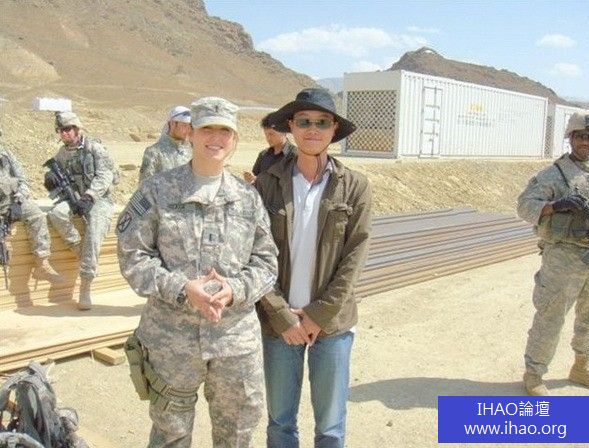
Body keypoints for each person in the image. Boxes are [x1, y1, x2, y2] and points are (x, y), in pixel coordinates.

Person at [116, 97, 278, 448]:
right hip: (171, 340)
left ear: (234, 139)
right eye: (207, 129)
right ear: (190, 133)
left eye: (225, 131)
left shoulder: (248, 198)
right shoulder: (157, 191)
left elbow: (267, 263)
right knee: (170, 436)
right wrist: (181, 288)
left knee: (237, 435)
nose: (215, 138)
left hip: (234, 340)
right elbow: (133, 257)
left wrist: (235, 289)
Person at [254, 88, 373, 448]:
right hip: (280, 325)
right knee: (280, 423)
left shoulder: (354, 186)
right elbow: (252, 256)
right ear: (290, 125)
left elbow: (355, 256)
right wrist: (281, 315)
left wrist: (318, 315)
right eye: (304, 121)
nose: (312, 129)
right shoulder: (266, 185)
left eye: (322, 122)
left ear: (334, 129)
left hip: (332, 326)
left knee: (331, 428)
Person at [518, 110, 589, 396]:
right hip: (563, 257)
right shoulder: (554, 174)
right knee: (551, 316)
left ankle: (581, 366)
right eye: (581, 136)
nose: (587, 142)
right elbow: (524, 206)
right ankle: (534, 374)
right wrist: (555, 206)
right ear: (570, 138)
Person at [45, 112, 118, 310]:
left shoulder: (94, 148)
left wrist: (90, 196)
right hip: (75, 199)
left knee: (94, 231)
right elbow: (57, 177)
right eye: (60, 130)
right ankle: (80, 251)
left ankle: (85, 286)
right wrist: (50, 181)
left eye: (67, 129)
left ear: (77, 129)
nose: (64, 133)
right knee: (56, 214)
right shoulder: (62, 154)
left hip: (99, 199)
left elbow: (105, 176)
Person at [0, 128, 62, 284]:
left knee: (36, 214)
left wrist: (19, 199)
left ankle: (42, 264)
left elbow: (23, 180)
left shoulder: (6, 155)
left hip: (12, 200)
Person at [139, 106, 192, 183]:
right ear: (173, 124)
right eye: (184, 125)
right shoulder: (154, 152)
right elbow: (144, 185)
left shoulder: (190, 151)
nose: (188, 129)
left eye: (190, 126)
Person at [243, 112, 295, 184]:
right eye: (266, 134)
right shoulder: (263, 155)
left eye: (271, 134)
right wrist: (251, 180)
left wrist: (260, 181)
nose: (268, 138)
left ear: (284, 132)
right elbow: (255, 180)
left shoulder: (295, 156)